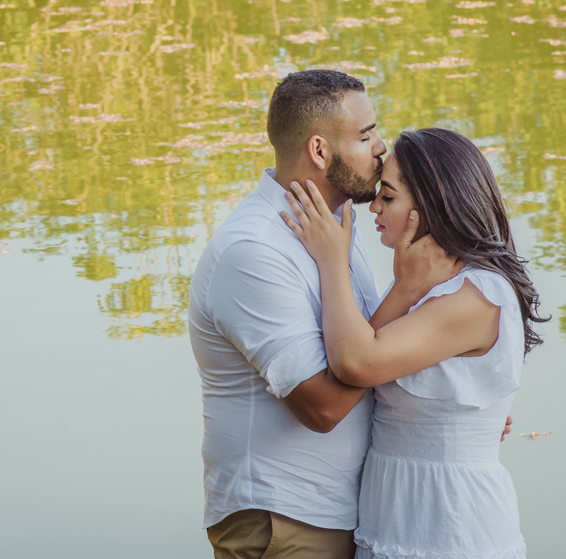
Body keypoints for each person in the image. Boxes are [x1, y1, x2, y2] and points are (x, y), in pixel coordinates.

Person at [188, 69, 461, 558]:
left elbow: (369, 353)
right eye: (365, 134)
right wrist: (404, 291)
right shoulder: (254, 251)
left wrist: (444, 404)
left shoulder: (333, 224)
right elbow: (323, 406)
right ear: (319, 150)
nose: (381, 147)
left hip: (350, 512)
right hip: (285, 522)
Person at [280, 128, 547, 559]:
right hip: (399, 512)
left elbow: (355, 362)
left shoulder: (475, 294)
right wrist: (405, 288)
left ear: (428, 209)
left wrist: (333, 260)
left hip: (449, 521)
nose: (375, 208)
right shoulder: (433, 284)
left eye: (388, 196)